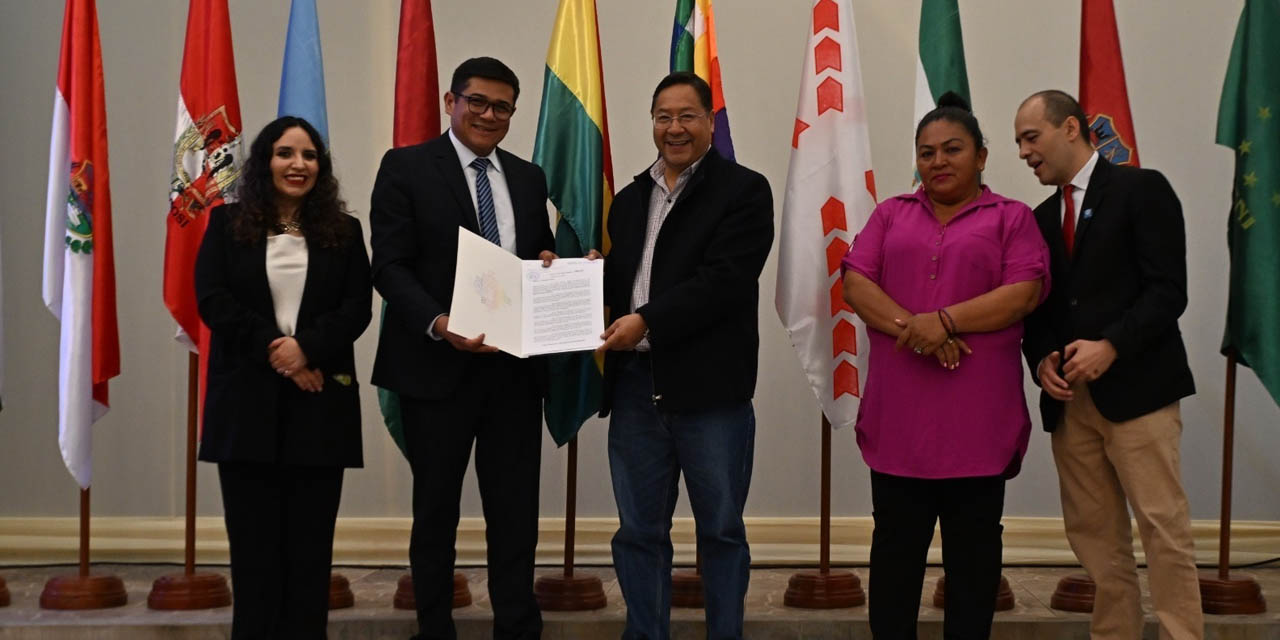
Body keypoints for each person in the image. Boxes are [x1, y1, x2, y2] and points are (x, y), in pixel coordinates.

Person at [840, 93, 1050, 638]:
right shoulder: (890, 213)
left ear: (981, 156)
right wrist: (922, 328)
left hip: (979, 431)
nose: (938, 162)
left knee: (973, 574)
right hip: (899, 429)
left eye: (952, 149)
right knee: (894, 569)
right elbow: (857, 283)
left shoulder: (1012, 218)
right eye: (927, 152)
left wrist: (947, 321)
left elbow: (1022, 293)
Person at [369, 57, 554, 640]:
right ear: (452, 100)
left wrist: (553, 267)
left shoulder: (528, 177)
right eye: (477, 101)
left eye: (502, 107)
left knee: (516, 512)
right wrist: (438, 321)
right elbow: (390, 266)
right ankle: (434, 629)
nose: (489, 115)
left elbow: (537, 255)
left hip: (512, 375)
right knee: (436, 514)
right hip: (435, 367)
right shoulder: (405, 167)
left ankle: (517, 627)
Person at [1014, 90, 1202, 639]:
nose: (1024, 153)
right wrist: (1042, 358)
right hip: (1073, 405)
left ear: (1070, 128)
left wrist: (1112, 345)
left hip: (1139, 392)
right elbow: (1040, 306)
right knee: (1095, 537)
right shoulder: (1041, 217)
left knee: (1163, 528)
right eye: (1019, 142)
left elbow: (1168, 291)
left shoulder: (1141, 190)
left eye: (1032, 137)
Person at [596, 71, 774, 640]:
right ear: (652, 122)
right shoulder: (628, 200)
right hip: (633, 390)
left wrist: (647, 320)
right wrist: (568, 276)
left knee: (720, 532)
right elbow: (617, 285)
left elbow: (724, 280)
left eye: (687, 116)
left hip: (710, 393)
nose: (674, 128)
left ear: (710, 122)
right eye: (663, 117)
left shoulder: (745, 190)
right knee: (638, 532)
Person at [195, 115, 372, 639]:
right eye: (285, 153)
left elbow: (356, 308)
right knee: (253, 554)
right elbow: (213, 300)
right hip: (244, 410)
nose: (298, 165)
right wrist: (280, 351)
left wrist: (307, 349)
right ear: (263, 162)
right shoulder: (226, 224)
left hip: (320, 411)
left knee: (309, 554)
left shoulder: (344, 230)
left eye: (310, 155)